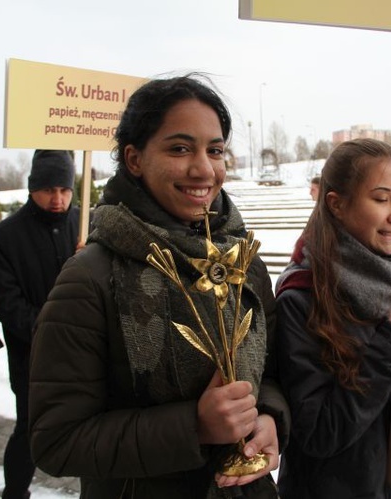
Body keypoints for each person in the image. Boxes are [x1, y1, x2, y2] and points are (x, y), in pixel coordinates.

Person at [28, 74, 289, 498]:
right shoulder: (90, 277)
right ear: (134, 159)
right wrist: (194, 426)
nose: (203, 168)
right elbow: (57, 441)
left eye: (215, 150)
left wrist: (271, 418)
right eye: (180, 148)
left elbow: (273, 374)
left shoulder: (242, 262)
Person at [275, 138, 391, 498]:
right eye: (381, 199)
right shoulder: (302, 296)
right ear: (336, 204)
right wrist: (389, 349)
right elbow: (316, 432)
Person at [0, 149, 81, 499]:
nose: (58, 199)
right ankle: (15, 492)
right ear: (31, 188)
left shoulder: (84, 224)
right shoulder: (5, 236)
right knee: (29, 430)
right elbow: (7, 304)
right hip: (33, 358)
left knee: (90, 430)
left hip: (85, 357)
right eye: (49, 190)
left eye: (65, 190)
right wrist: (51, 333)